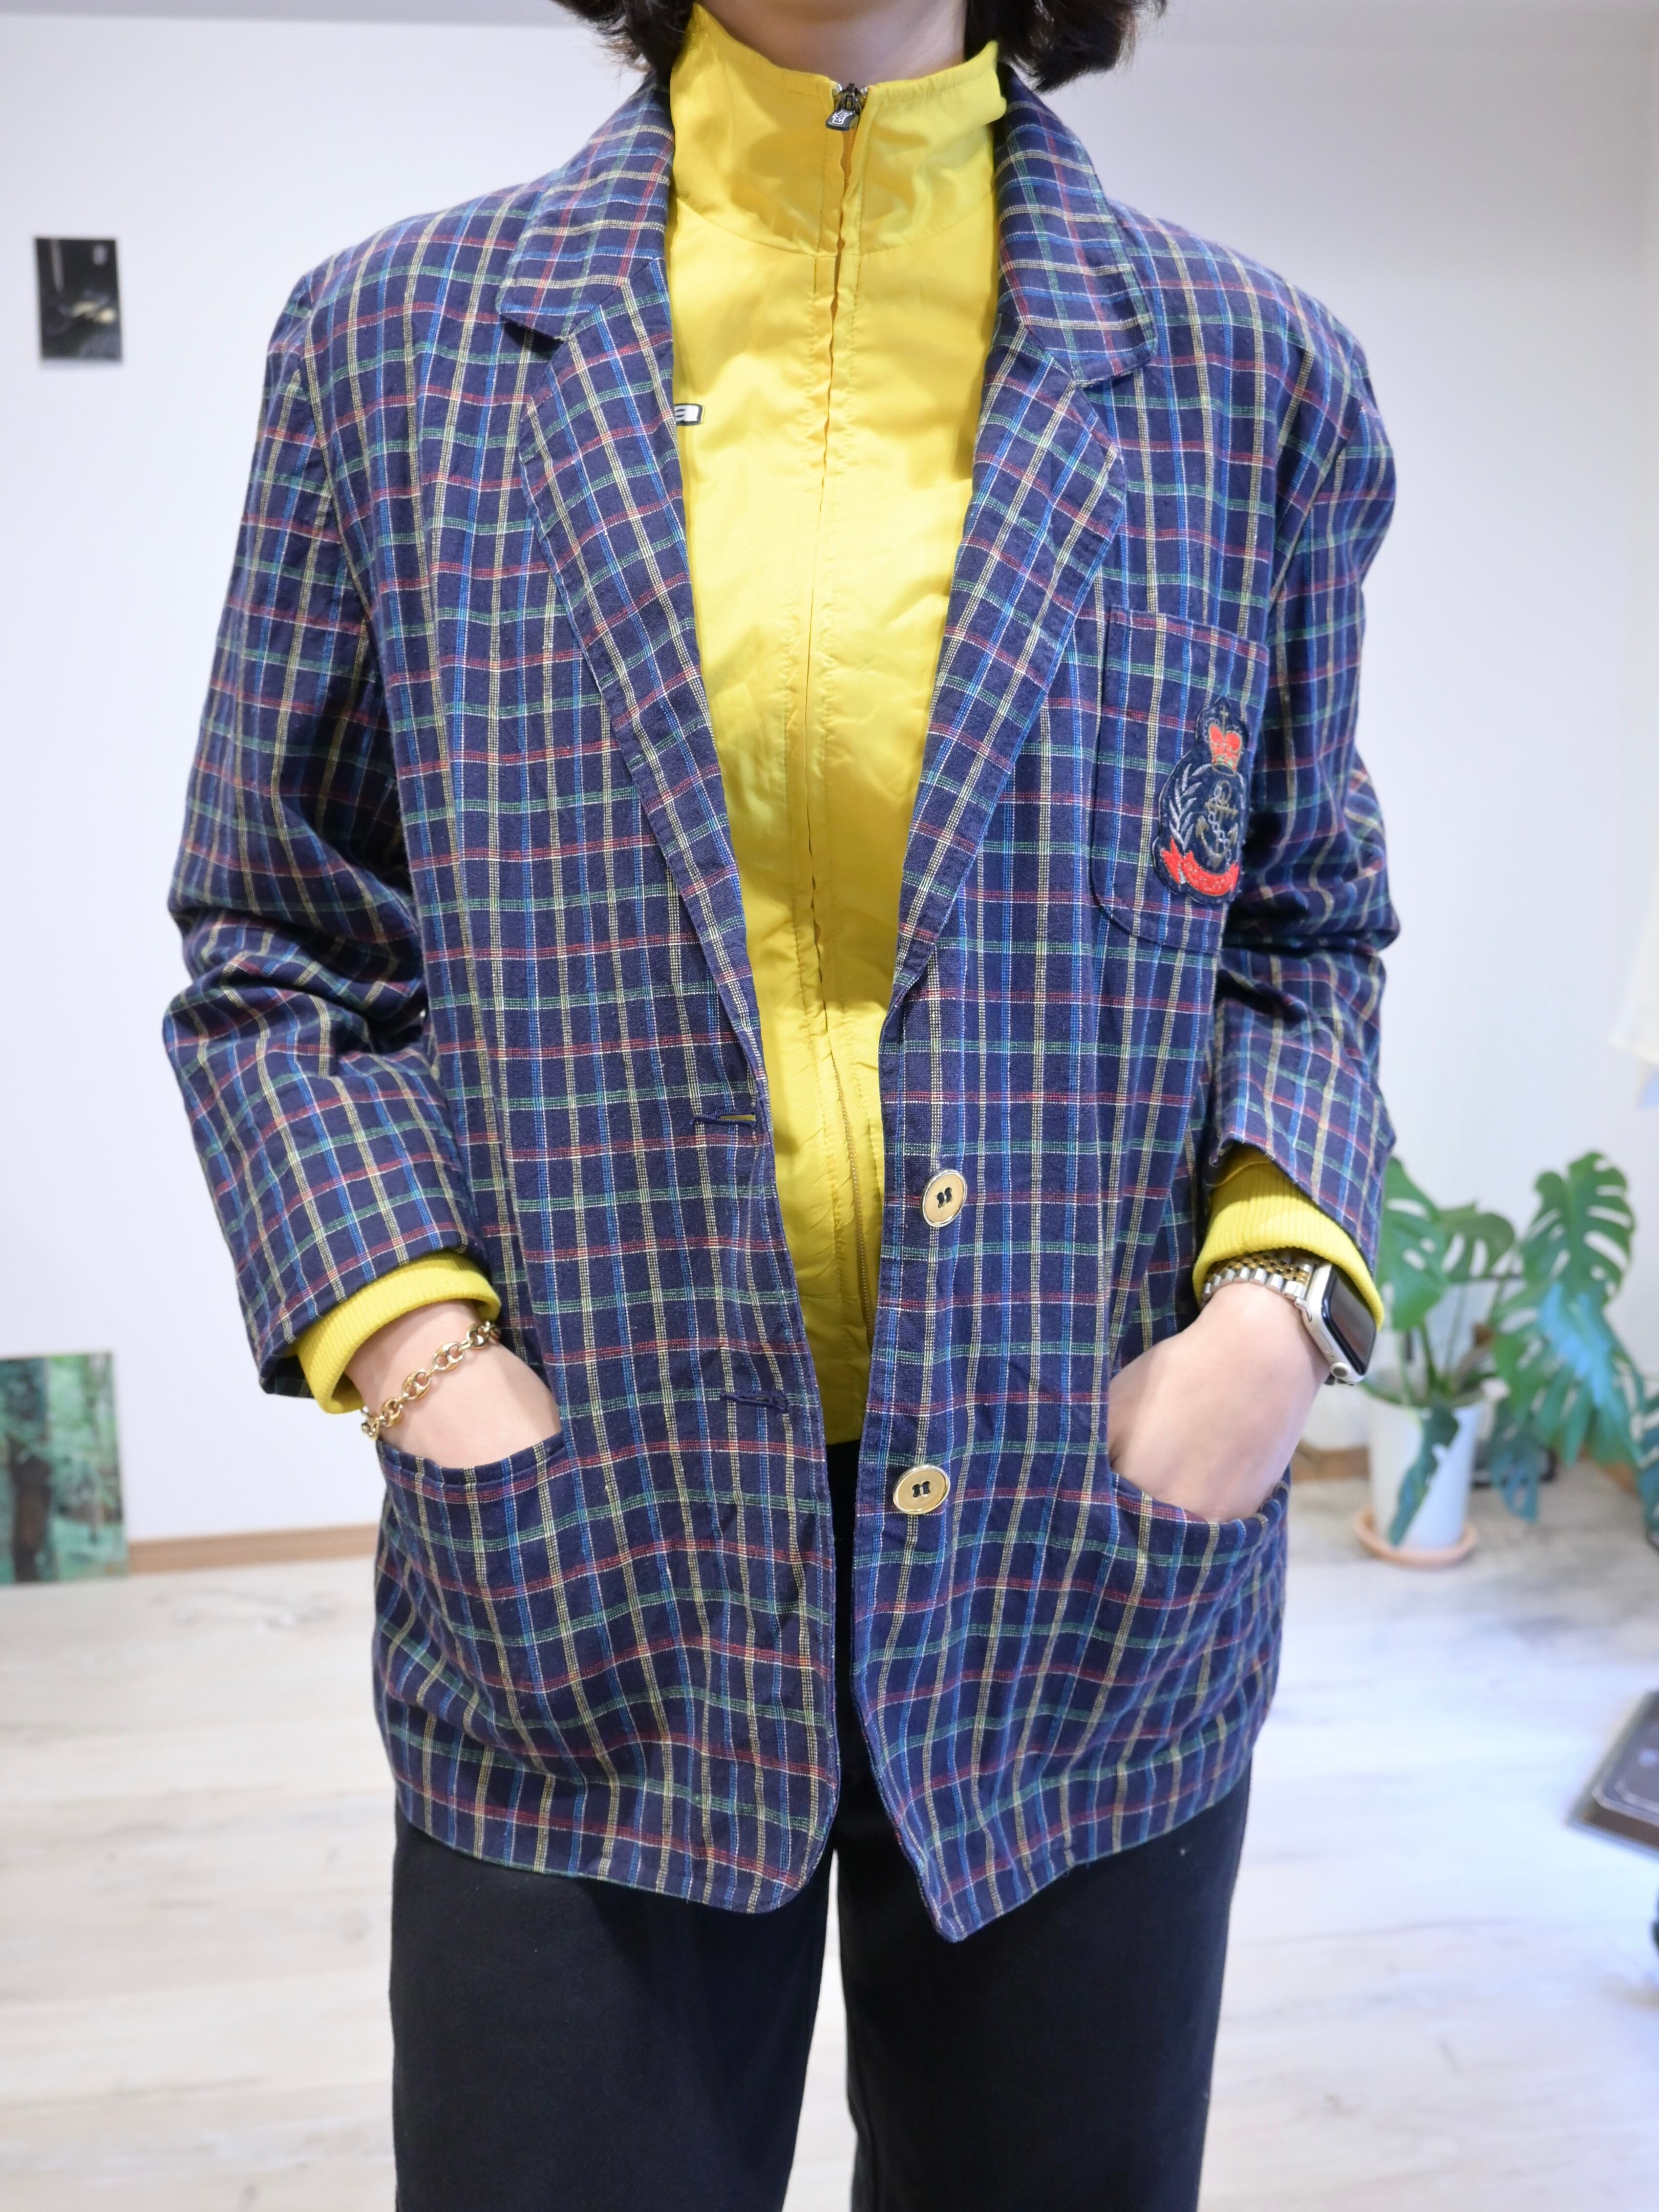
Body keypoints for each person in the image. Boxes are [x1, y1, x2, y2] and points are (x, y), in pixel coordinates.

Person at [164, 0, 1396, 2199]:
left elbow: (1304, 921)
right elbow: (281, 934)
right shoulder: (395, 344)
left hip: (1084, 1558)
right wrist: (422, 1354)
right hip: (582, 1558)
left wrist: (1272, 1318)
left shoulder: (1252, 372)